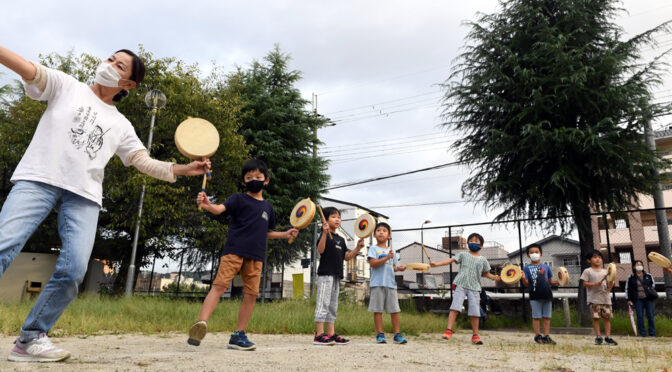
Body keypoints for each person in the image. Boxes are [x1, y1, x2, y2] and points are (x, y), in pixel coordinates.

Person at [0, 46, 210, 363]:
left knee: (73, 270)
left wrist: (183, 169)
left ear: (128, 85)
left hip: (83, 194)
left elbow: (143, 161)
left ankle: (31, 339)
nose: (109, 64)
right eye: (110, 58)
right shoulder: (66, 85)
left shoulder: (121, 124)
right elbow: (30, 70)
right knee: (4, 244)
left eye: (119, 65)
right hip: (38, 178)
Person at [187, 159, 298, 351]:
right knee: (219, 286)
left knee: (251, 294)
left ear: (266, 181)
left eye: (258, 177)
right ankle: (201, 323)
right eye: (249, 177)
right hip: (234, 251)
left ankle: (238, 335)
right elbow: (219, 209)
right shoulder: (238, 199)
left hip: (256, 256)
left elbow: (266, 232)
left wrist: (284, 234)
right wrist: (207, 204)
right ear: (243, 181)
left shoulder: (268, 208)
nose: (253, 179)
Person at [430, 233, 500, 345]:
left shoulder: (483, 260)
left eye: (476, 241)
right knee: (455, 308)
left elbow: (486, 273)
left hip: (475, 288)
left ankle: (475, 336)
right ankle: (448, 330)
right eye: (471, 241)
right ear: (467, 244)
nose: (473, 243)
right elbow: (450, 260)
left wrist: (494, 277)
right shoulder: (463, 254)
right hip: (460, 285)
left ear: (481, 245)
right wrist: (436, 264)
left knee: (475, 312)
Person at [313, 207, 364, 345]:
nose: (337, 219)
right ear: (326, 220)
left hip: (336, 276)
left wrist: (358, 248)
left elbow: (347, 257)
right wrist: (324, 233)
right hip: (325, 275)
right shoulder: (324, 235)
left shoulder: (341, 240)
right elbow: (320, 250)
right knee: (323, 303)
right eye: (333, 216)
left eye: (339, 217)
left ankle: (331, 333)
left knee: (332, 306)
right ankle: (318, 335)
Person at [367, 222, 408, 344]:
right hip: (377, 284)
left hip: (390, 284)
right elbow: (373, 263)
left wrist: (399, 268)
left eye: (384, 230)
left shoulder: (393, 251)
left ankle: (397, 334)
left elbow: (392, 267)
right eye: (378, 230)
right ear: (374, 234)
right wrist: (386, 258)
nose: (381, 232)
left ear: (389, 235)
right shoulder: (373, 249)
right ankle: (380, 334)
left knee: (395, 310)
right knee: (377, 310)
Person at [521, 244, 559, 344]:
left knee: (547, 317)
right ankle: (538, 336)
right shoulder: (526, 268)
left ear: (541, 254)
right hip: (534, 295)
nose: (534, 254)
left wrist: (559, 281)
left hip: (547, 294)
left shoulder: (546, 267)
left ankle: (546, 336)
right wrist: (523, 278)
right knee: (536, 317)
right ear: (528, 255)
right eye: (531, 252)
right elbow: (526, 283)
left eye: (536, 252)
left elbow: (550, 281)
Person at [580, 250, 617, 345]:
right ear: (589, 260)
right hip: (594, 299)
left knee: (607, 318)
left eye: (600, 257)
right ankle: (598, 337)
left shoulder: (606, 272)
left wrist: (611, 283)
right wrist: (595, 284)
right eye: (595, 257)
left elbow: (608, 287)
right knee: (596, 318)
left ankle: (608, 337)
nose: (598, 259)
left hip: (606, 299)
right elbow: (585, 283)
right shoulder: (587, 271)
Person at [625, 260, 657, 337]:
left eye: (640, 264)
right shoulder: (631, 277)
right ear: (634, 267)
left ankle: (652, 333)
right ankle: (643, 333)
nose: (639, 265)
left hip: (648, 299)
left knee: (650, 315)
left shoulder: (648, 276)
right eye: (637, 264)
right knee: (640, 316)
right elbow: (627, 288)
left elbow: (653, 286)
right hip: (638, 299)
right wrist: (628, 299)